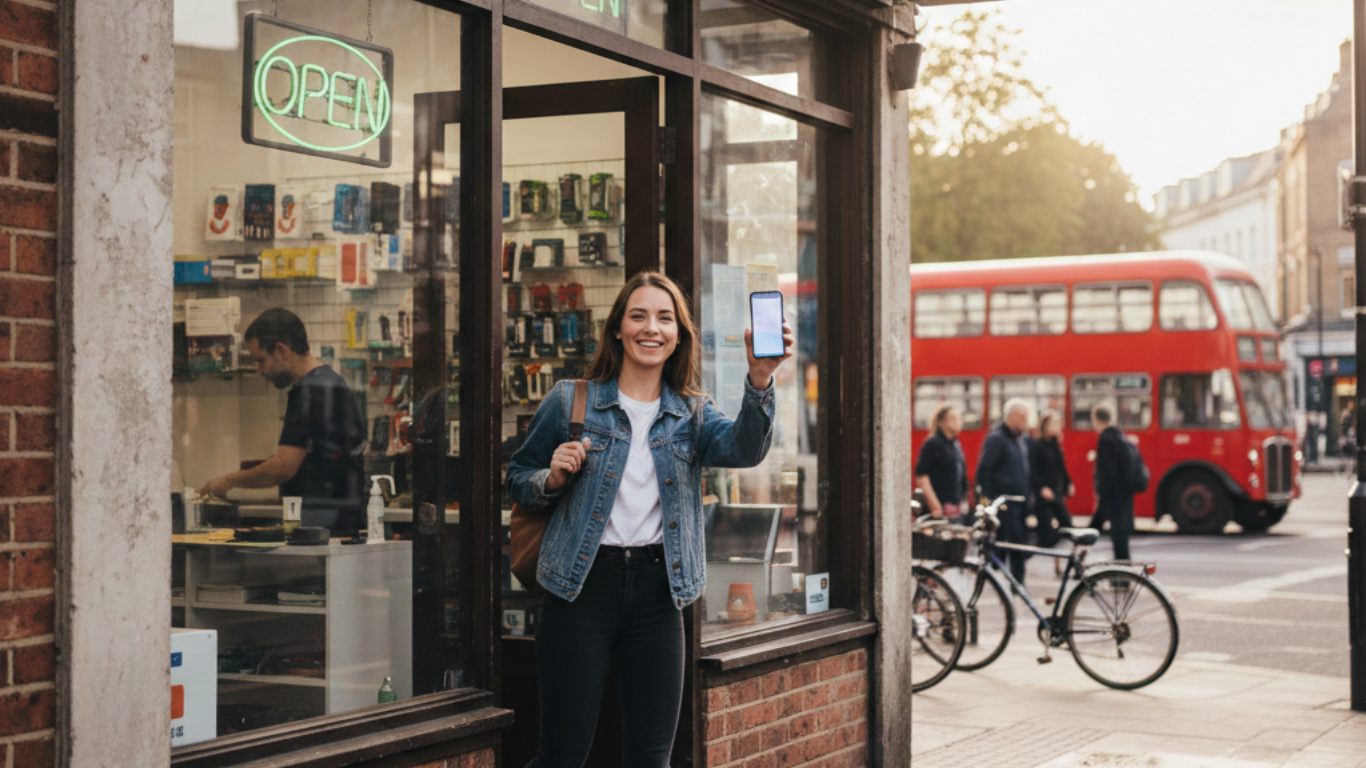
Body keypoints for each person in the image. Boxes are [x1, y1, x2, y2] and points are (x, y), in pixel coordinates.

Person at [505, 272, 791, 768]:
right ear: (618, 328)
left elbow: (746, 448)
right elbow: (517, 476)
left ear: (678, 334)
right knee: (562, 756)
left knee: (651, 758)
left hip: (660, 596)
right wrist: (550, 478)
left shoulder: (693, 415)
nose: (651, 328)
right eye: (638, 315)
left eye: (665, 318)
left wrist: (761, 377)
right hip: (580, 590)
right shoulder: (571, 399)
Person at [199, 308, 367, 535]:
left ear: (281, 351)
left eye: (261, 361)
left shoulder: (310, 392)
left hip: (323, 528)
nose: (259, 370)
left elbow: (283, 467)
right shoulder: (332, 383)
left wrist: (228, 481)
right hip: (340, 524)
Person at [975, 398, 1033, 584]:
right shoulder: (997, 438)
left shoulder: (1020, 440)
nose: (1027, 422)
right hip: (1005, 504)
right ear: (1012, 417)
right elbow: (983, 472)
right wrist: (994, 499)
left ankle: (1007, 581)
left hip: (1019, 502)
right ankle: (1016, 584)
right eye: (1023, 417)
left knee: (1012, 545)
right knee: (1013, 546)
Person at [1091, 404, 1135, 561]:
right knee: (1120, 539)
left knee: (1090, 534)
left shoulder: (1106, 438)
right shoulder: (1120, 435)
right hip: (1123, 497)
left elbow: (1107, 471)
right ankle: (1123, 575)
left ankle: (1077, 565)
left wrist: (1101, 493)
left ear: (1096, 420)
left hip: (1111, 498)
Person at [914, 403, 970, 521]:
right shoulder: (933, 444)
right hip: (938, 508)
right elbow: (922, 477)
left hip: (954, 507)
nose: (958, 422)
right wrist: (934, 505)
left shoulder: (955, 444)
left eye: (959, 418)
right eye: (953, 419)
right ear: (941, 422)